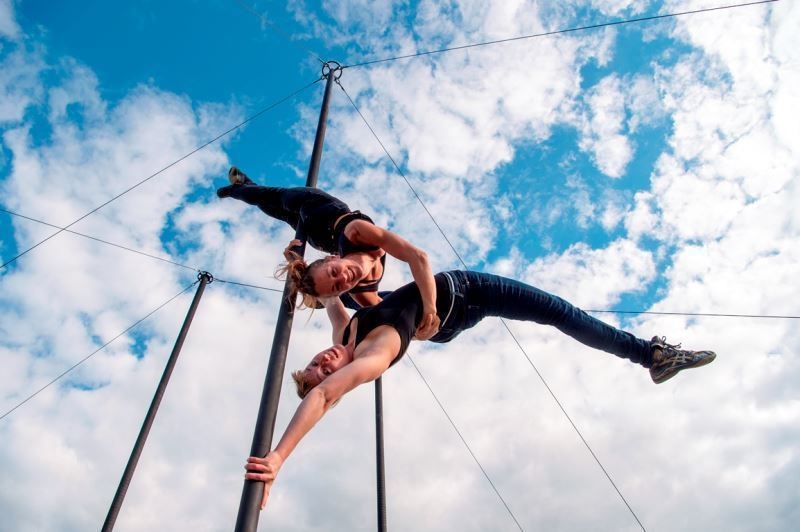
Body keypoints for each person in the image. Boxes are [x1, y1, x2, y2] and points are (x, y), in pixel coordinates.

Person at [243, 270, 716, 508]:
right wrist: (280, 457)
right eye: (325, 371)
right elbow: (322, 398)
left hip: (445, 313)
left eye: (316, 361)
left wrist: (296, 259)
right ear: (339, 381)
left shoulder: (343, 337)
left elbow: (324, 296)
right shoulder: (371, 356)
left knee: (351, 280)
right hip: (467, 294)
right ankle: (648, 356)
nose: (324, 363)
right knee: (560, 312)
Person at [217, 166, 439, 337]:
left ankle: (246, 188)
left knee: (280, 209)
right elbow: (415, 260)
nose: (344, 279)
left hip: (317, 222)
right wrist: (428, 313)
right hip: (319, 218)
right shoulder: (358, 234)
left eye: (334, 278)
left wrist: (422, 325)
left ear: (333, 259)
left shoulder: (359, 280)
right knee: (271, 199)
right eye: (336, 281)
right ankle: (241, 188)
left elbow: (392, 311)